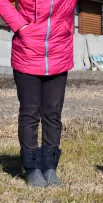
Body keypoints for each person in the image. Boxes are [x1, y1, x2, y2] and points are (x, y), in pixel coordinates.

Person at [0, 0, 77, 187]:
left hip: (60, 51)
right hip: (27, 51)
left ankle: (50, 167)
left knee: (53, 113)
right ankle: (32, 168)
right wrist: (21, 26)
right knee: (29, 113)